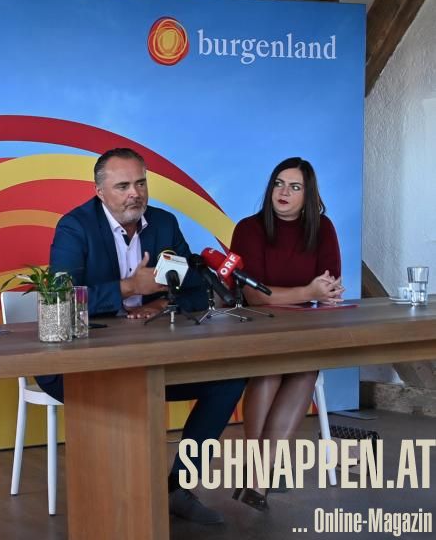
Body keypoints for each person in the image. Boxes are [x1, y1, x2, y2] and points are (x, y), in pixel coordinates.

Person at [35, 147, 246, 525]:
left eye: (141, 183)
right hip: (81, 364)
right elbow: (61, 300)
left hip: (150, 359)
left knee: (228, 378)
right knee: (128, 389)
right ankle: (117, 505)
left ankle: (178, 487)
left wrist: (163, 300)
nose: (135, 193)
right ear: (100, 192)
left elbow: (197, 289)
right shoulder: (74, 227)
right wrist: (129, 287)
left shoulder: (163, 224)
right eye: (123, 186)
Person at [229, 157, 343, 511]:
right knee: (271, 368)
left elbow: (330, 285)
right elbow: (255, 296)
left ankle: (259, 473)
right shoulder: (249, 228)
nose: (284, 192)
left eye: (295, 187)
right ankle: (257, 470)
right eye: (279, 183)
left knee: (305, 369)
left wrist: (318, 293)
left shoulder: (322, 228)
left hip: (302, 327)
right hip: (255, 324)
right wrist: (307, 292)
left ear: (308, 195)